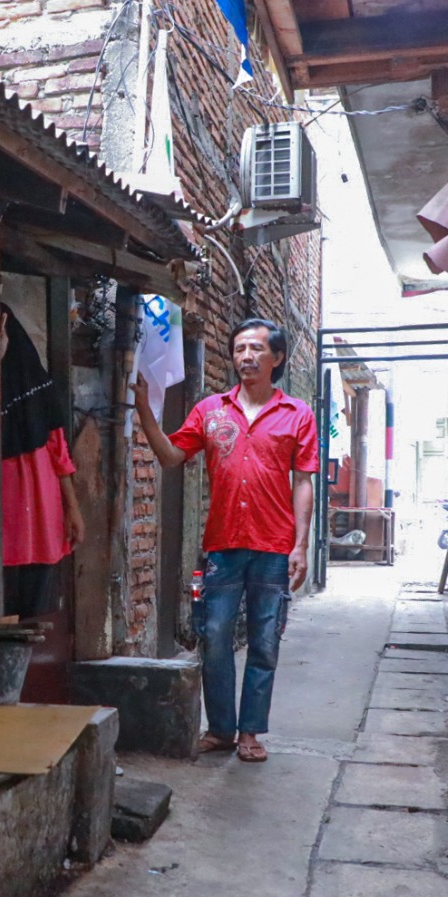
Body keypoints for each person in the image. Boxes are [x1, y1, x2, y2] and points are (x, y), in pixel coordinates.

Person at [133, 318, 317, 763]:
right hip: (223, 545)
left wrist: (300, 545)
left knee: (264, 641)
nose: (245, 357)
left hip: (274, 547)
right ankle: (220, 729)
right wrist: (144, 411)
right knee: (214, 637)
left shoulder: (297, 414)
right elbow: (171, 456)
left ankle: (250, 731)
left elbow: (303, 481)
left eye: (256, 349)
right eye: (239, 349)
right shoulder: (210, 411)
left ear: (277, 358)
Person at [0, 304, 85, 618]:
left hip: (40, 514)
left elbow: (59, 451)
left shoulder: (36, 384)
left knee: (32, 613)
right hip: (0, 518)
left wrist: (72, 508)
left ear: (4, 325)